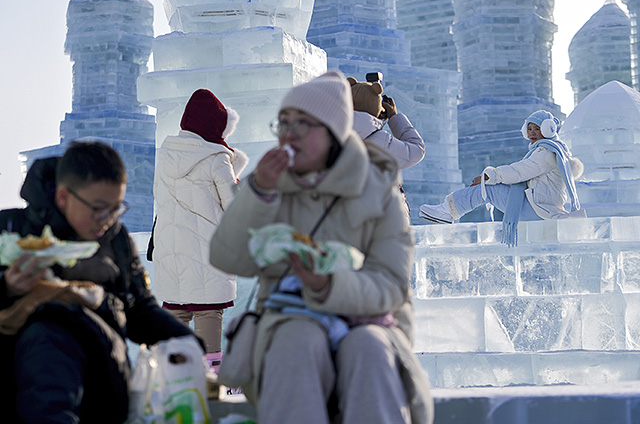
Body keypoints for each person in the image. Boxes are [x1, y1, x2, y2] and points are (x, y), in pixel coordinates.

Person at [209, 71, 433, 424]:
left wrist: (328, 286)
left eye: (302, 124)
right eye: (283, 123)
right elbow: (226, 256)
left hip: (369, 322)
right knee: (297, 339)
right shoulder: (271, 186)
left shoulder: (379, 190)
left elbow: (392, 285)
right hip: (289, 321)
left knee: (369, 348)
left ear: (333, 134)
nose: (288, 134)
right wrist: (259, 194)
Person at [0, 141, 198, 424]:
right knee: (50, 332)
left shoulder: (116, 240)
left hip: (104, 386)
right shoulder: (10, 230)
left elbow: (139, 309)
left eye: (116, 208)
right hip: (24, 388)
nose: (107, 220)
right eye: (98, 209)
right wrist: (7, 287)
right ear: (63, 196)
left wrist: (188, 342)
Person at [153, 88, 248, 369]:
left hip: (171, 252)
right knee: (208, 315)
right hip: (206, 253)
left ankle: (174, 383)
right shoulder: (216, 157)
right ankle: (210, 386)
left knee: (176, 317)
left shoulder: (165, 156)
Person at [419, 110, 584, 245]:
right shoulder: (554, 151)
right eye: (530, 128)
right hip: (538, 207)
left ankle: (447, 211)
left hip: (538, 209)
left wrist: (489, 175)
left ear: (548, 130)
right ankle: (448, 210)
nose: (532, 133)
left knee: (489, 189)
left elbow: (519, 171)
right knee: (495, 191)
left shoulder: (546, 153)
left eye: (537, 128)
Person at [348, 75, 425, 170]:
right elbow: (417, 151)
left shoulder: (329, 128)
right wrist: (394, 116)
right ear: (379, 107)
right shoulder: (381, 142)